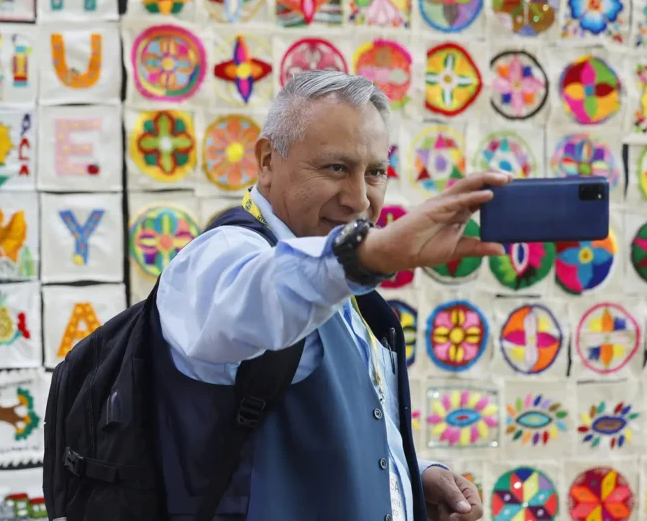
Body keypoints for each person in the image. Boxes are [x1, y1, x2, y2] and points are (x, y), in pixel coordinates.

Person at [154, 71, 506, 521]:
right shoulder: (220, 257)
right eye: (336, 168)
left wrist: (410, 480)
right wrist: (370, 254)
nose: (359, 200)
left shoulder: (340, 275)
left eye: (375, 172)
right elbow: (261, 301)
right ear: (267, 161)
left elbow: (335, 433)